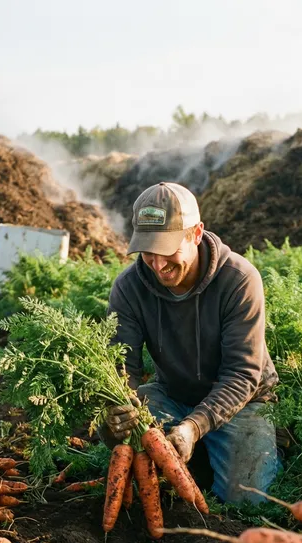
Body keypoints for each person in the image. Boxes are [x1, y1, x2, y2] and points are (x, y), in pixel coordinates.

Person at [103, 182, 279, 504]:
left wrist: (193, 428)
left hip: (240, 402)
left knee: (247, 501)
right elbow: (121, 366)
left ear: (196, 234)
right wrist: (115, 413)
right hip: (172, 395)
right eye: (147, 251)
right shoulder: (129, 288)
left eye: (167, 249)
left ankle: (224, 451)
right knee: (134, 460)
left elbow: (242, 374)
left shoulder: (238, 280)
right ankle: (194, 463)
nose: (157, 264)